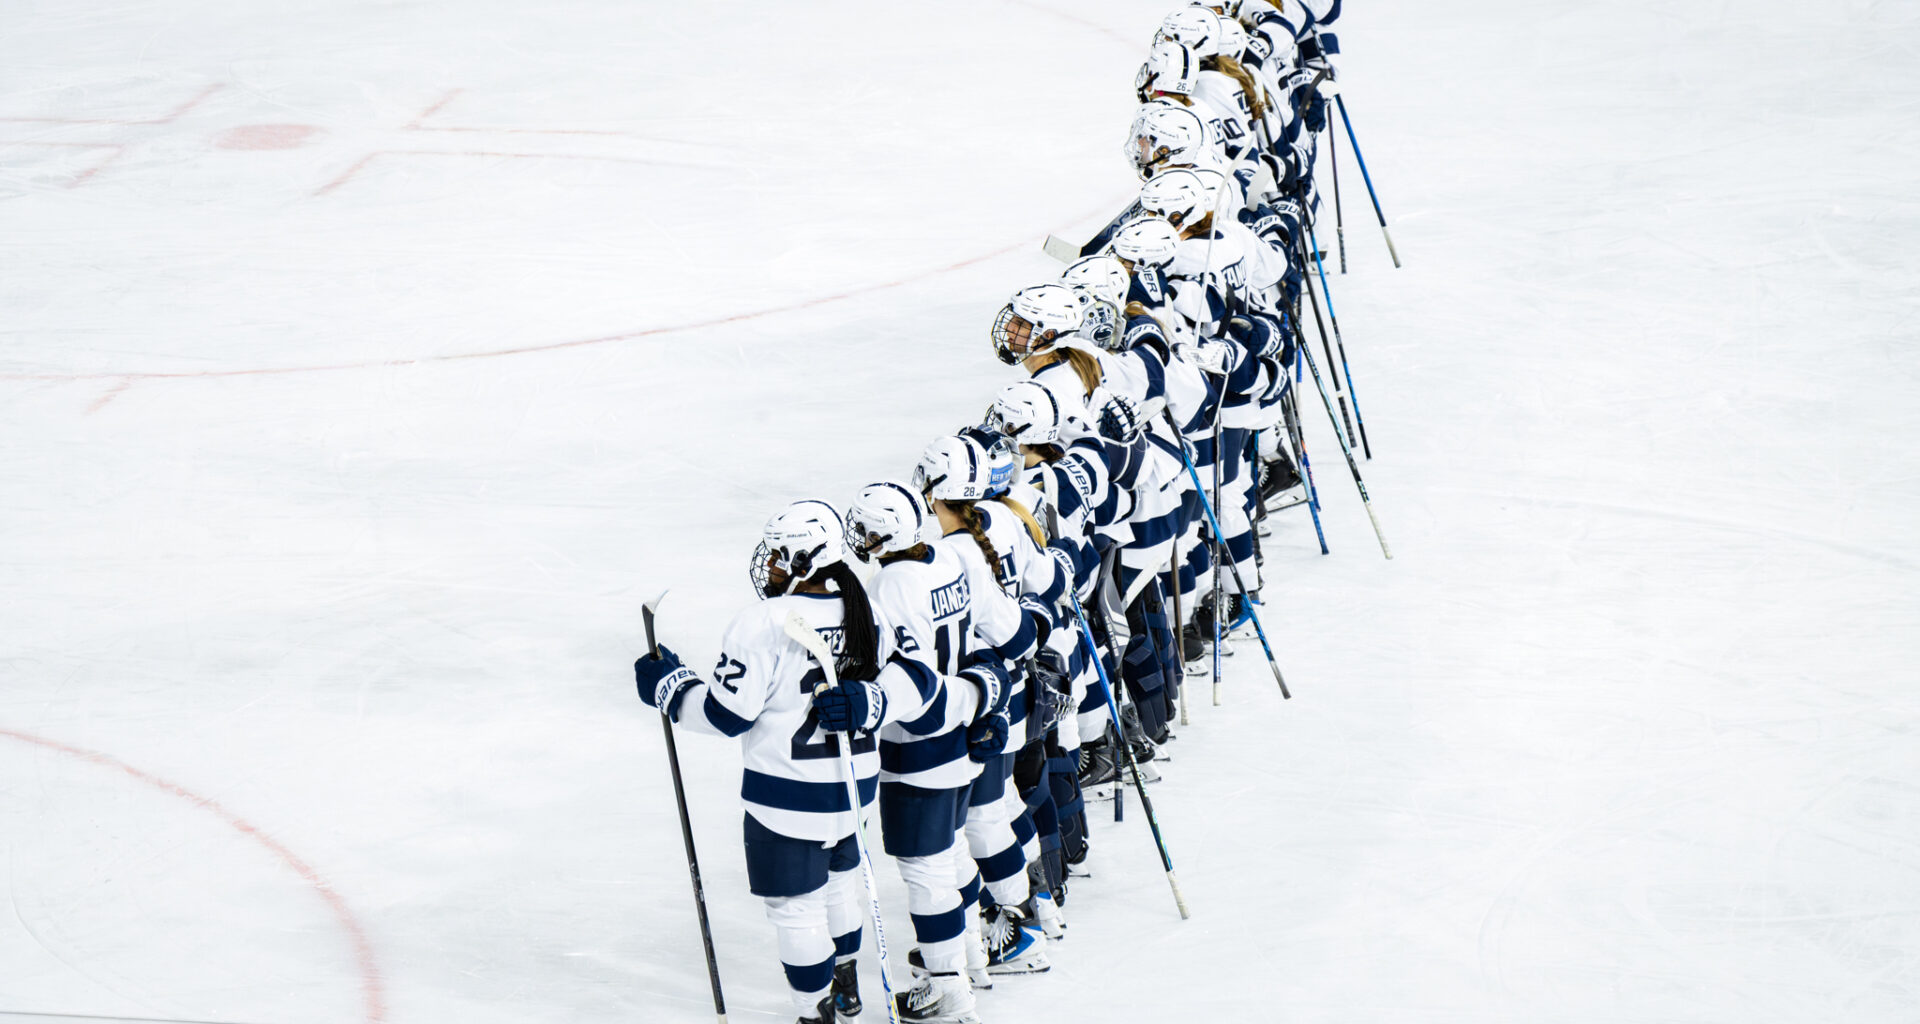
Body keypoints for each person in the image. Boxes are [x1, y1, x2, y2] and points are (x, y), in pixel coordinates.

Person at [634, 500, 938, 1024]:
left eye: (778, 554)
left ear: (804, 559)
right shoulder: (868, 610)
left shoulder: (764, 622)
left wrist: (672, 688)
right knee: (840, 886)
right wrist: (874, 703)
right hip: (853, 790)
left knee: (796, 910)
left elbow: (728, 716)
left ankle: (812, 1013)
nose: (768, 564)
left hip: (786, 801)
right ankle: (845, 983)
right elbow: (921, 678)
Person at [844, 480, 1015, 1021]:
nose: (860, 536)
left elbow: (908, 675)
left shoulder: (889, 584)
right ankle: (971, 961)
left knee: (926, 872)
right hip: (962, 733)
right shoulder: (945, 558)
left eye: (867, 527)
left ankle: (949, 989)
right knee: (951, 855)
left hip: (919, 745)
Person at [913, 435, 1058, 979]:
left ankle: (1017, 929)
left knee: (980, 820)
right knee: (996, 811)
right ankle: (1031, 914)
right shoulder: (988, 532)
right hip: (1000, 699)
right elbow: (1019, 632)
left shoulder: (953, 555)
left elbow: (1007, 634)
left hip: (984, 709)